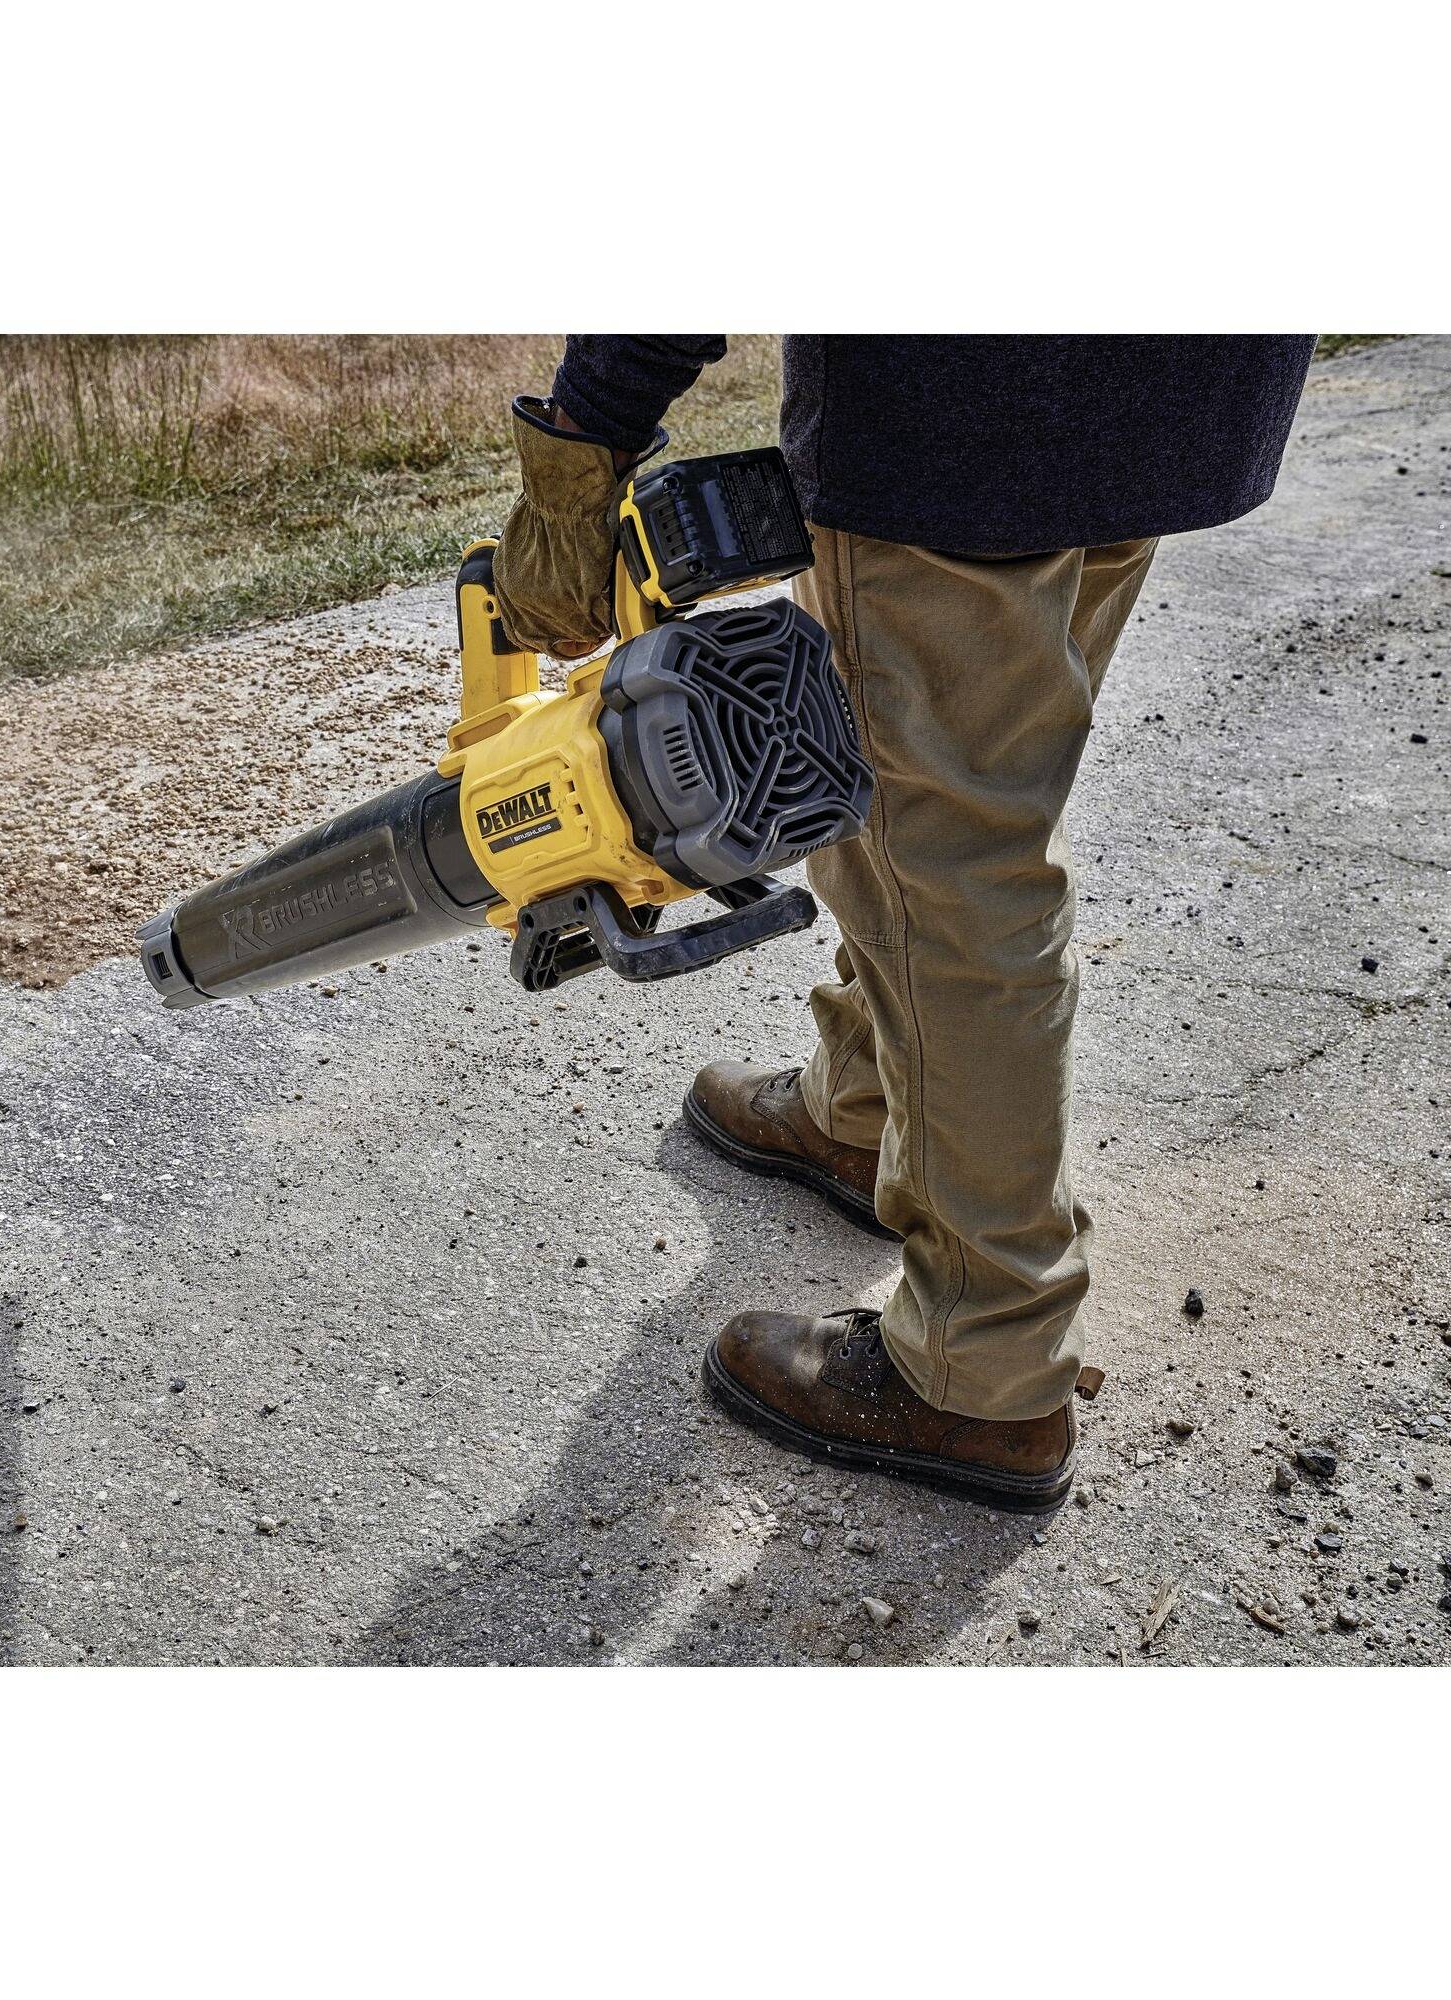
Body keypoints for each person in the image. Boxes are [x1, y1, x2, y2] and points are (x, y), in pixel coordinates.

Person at [493, 335, 1313, 1511]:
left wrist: (587, 433)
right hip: (1171, 383)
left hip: (959, 408)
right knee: (956, 799)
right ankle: (863, 1107)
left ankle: (983, 1363)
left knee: (943, 857)